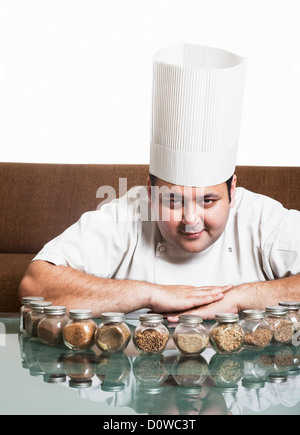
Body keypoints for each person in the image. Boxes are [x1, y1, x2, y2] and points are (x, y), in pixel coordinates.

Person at [18, 43, 300, 321]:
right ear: (151, 194)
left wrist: (239, 299)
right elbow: (34, 285)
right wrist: (149, 294)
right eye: (173, 200)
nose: (191, 220)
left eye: (208, 200)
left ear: (233, 191)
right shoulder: (126, 215)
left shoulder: (262, 220)